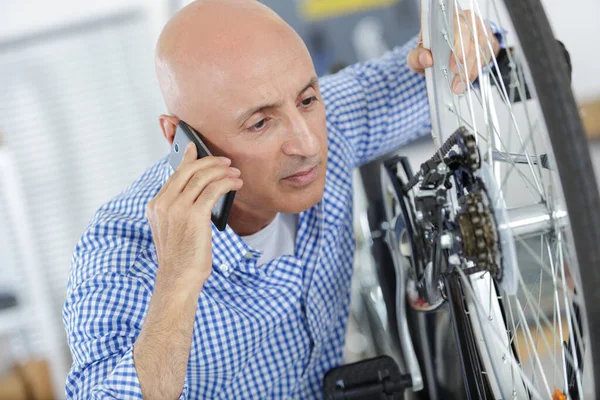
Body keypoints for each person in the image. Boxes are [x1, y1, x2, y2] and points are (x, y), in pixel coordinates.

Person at [63, 0, 500, 398]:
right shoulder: (117, 256)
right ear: (181, 139)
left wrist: (471, 44)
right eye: (259, 124)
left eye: (308, 98)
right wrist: (176, 282)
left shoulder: (324, 119)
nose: (308, 142)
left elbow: (467, 75)